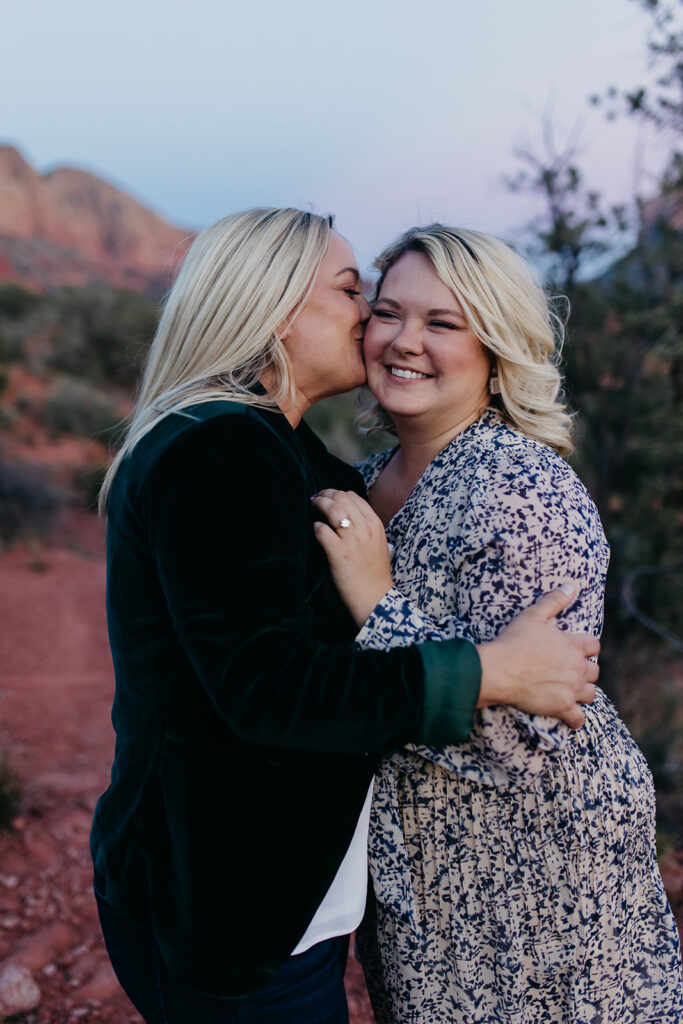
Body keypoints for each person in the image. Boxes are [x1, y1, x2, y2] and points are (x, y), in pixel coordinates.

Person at [91, 208, 599, 1024]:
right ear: (276, 310)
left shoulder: (290, 456)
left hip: (275, 897)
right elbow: (268, 688)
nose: (370, 319)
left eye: (435, 318)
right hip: (231, 914)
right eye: (355, 292)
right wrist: (491, 670)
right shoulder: (221, 450)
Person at [313, 224, 683, 1023]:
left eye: (443, 323)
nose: (404, 341)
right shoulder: (366, 481)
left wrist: (379, 604)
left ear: (496, 348)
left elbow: (516, 737)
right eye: (386, 312)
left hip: (540, 890)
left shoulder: (521, 495)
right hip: (423, 878)